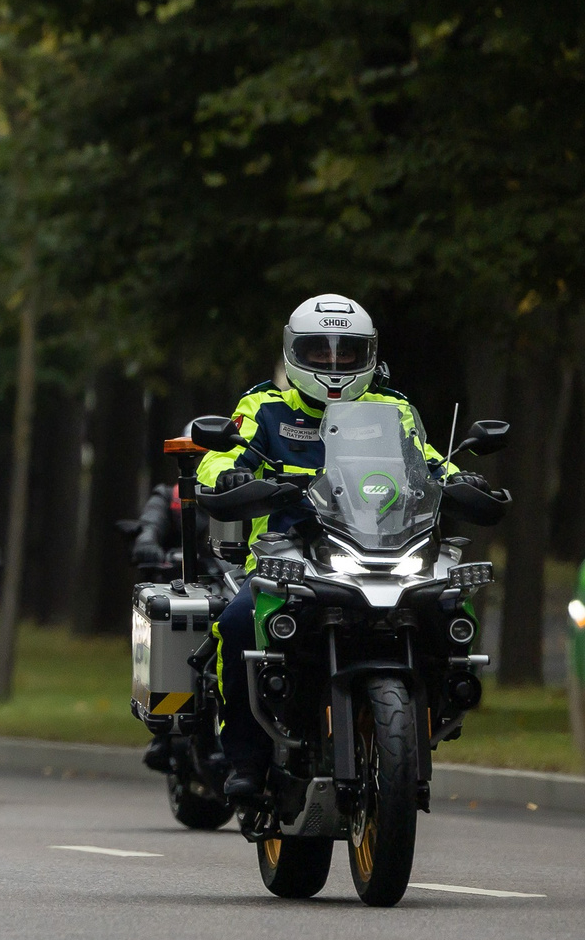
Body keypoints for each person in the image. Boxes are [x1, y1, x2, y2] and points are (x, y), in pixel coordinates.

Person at [195, 294, 485, 804]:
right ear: (292, 352)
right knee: (239, 621)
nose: (332, 365)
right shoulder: (263, 406)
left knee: (445, 606)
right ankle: (244, 756)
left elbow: (431, 463)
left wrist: (466, 480)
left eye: (345, 354)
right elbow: (218, 459)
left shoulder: (391, 410)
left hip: (383, 545)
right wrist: (231, 475)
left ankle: (436, 706)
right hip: (286, 554)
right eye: (319, 352)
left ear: (367, 355)